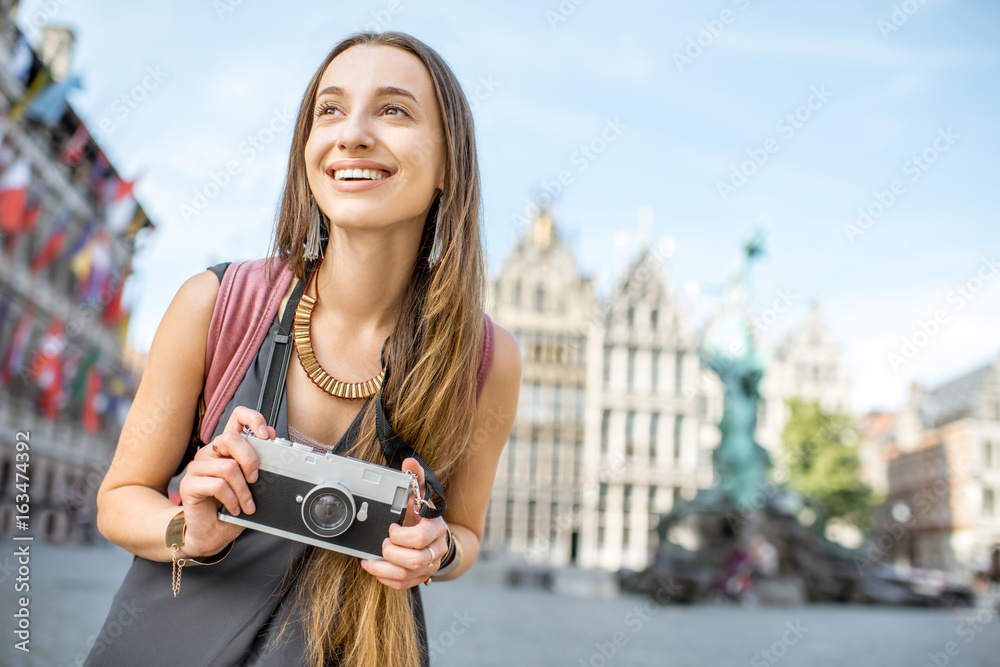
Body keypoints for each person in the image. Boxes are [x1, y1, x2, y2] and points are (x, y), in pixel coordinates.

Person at [88, 31, 520, 667]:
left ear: (449, 164)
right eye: (331, 109)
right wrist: (188, 528)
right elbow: (118, 498)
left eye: (394, 109)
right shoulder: (215, 305)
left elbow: (467, 535)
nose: (352, 134)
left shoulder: (485, 360)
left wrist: (436, 551)